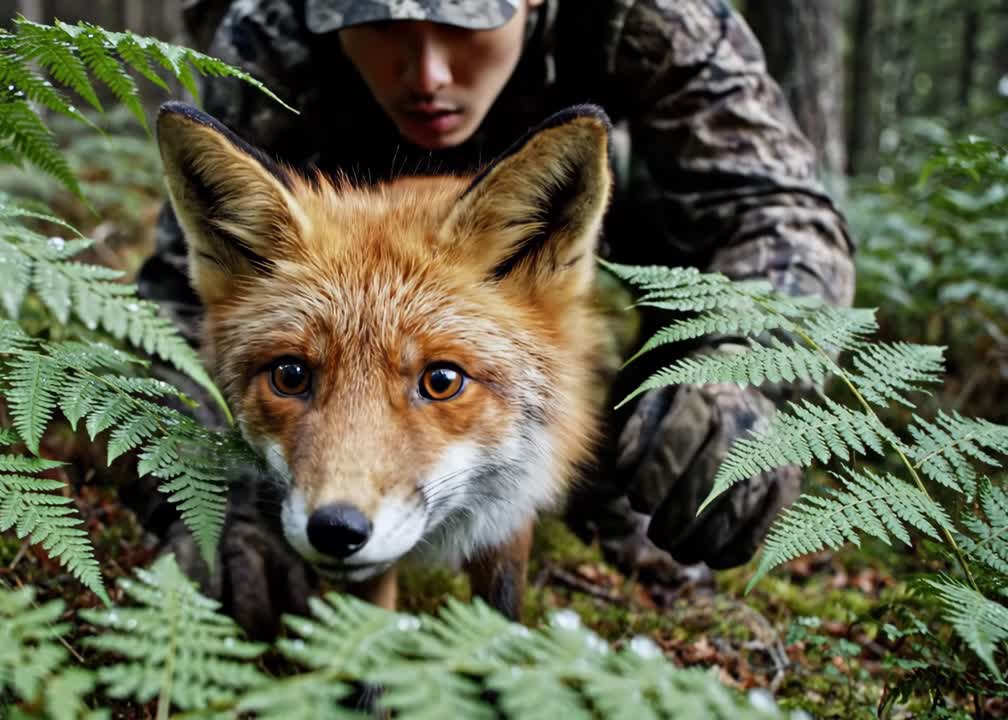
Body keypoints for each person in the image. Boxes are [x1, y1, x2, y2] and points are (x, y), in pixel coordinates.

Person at [128, 0, 856, 636]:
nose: (428, 73)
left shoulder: (644, 14)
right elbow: (170, 306)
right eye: (380, 25)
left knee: (664, 243)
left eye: (460, 21)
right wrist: (202, 490)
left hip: (548, 232)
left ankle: (623, 476)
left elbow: (778, 216)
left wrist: (745, 381)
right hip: (339, 243)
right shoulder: (272, 26)